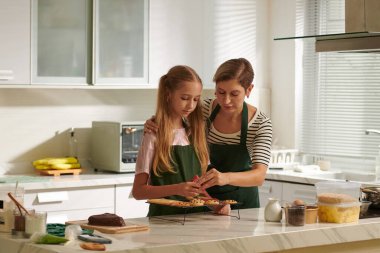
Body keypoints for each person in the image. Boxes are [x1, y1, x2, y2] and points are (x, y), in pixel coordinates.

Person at [145, 58, 273, 209]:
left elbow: (259, 176)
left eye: (234, 94)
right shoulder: (204, 110)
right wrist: (154, 122)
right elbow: (174, 120)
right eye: (221, 92)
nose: (226, 100)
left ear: (249, 89)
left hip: (243, 204)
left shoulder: (260, 123)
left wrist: (224, 177)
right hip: (204, 200)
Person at [132, 65, 209, 217]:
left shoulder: (195, 134)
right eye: (185, 98)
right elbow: (138, 191)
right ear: (168, 94)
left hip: (197, 221)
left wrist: (215, 206)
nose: (191, 105)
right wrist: (177, 189)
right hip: (163, 222)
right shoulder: (153, 134)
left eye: (196, 99)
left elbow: (198, 190)